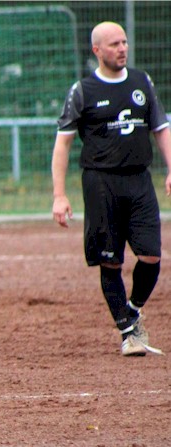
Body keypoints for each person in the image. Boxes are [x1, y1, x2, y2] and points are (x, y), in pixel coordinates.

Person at [51, 21, 171, 356]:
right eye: (114, 44)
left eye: (124, 42)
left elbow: (161, 128)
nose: (122, 49)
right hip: (100, 183)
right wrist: (59, 195)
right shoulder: (83, 91)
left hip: (139, 179)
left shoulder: (142, 82)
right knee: (111, 262)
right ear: (97, 50)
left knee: (151, 254)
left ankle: (132, 310)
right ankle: (129, 333)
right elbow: (62, 144)